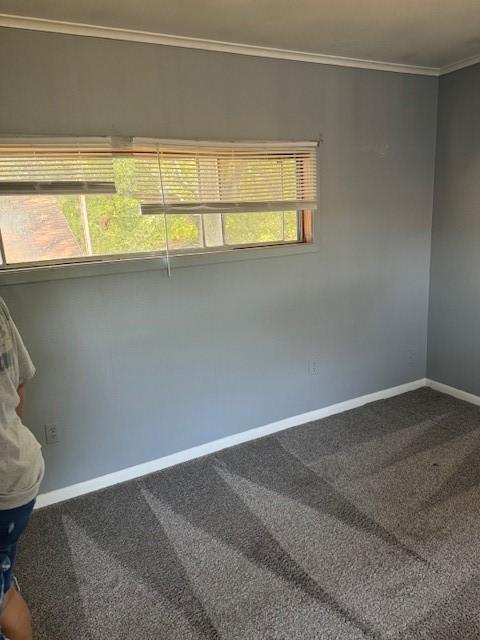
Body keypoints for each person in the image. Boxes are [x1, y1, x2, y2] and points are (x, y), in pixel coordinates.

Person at [0, 297, 44, 640]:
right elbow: (18, 388)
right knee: (6, 590)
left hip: (7, 487)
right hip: (18, 469)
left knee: (4, 599)